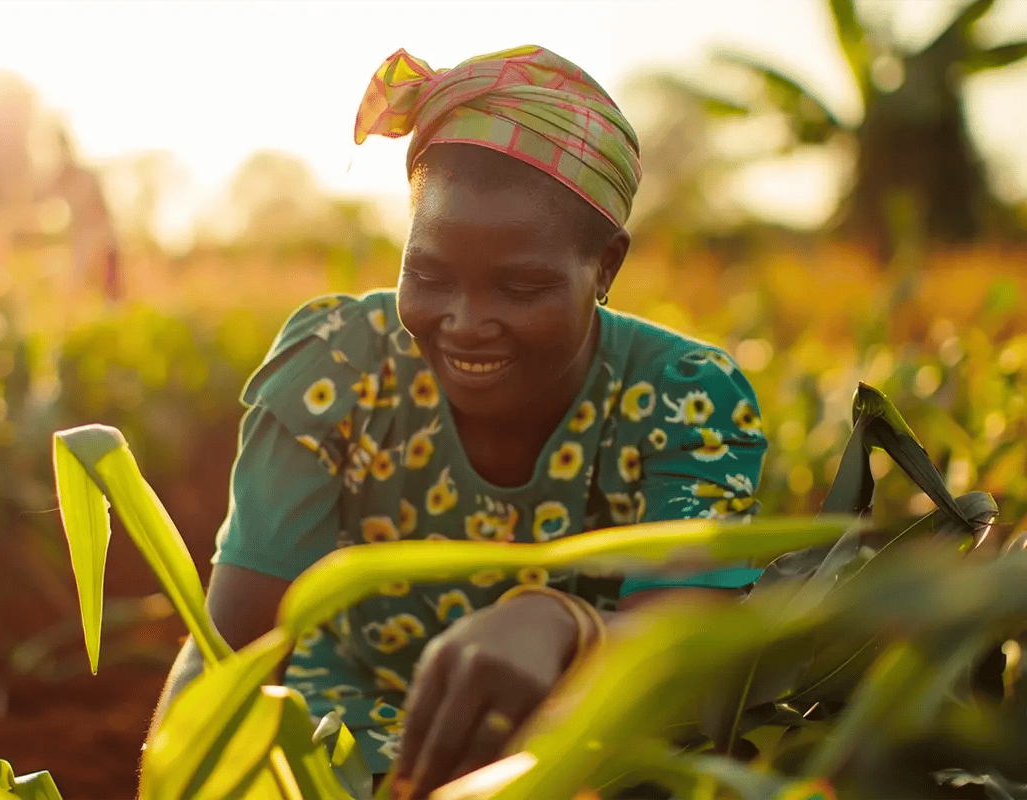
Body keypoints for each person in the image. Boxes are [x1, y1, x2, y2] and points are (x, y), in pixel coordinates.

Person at [148, 45, 768, 799]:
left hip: (575, 742)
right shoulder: (338, 369)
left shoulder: (687, 397)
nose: (467, 324)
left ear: (605, 266)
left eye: (522, 286)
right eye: (430, 276)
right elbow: (234, 645)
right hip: (342, 733)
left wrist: (560, 623)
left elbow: (680, 652)